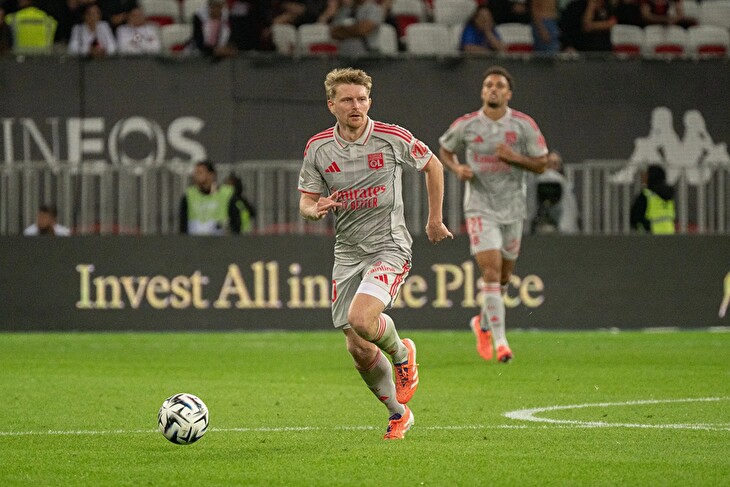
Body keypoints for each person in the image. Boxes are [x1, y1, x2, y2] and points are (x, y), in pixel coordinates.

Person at [298, 67, 452, 440]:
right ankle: (399, 414)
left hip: (389, 245)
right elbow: (306, 201)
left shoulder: (390, 136)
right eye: (347, 100)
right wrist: (314, 210)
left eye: (362, 99)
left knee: (362, 318)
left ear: (370, 101)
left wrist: (434, 220)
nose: (356, 106)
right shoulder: (318, 147)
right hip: (347, 252)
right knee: (358, 348)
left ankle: (402, 354)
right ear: (331, 104)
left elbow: (433, 165)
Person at [438, 65, 548, 363]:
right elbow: (445, 149)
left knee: (503, 278)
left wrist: (515, 158)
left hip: (513, 207)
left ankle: (483, 324)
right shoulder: (467, 125)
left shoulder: (523, 125)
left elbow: (541, 164)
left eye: (499, 86)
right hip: (480, 206)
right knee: (490, 271)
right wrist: (457, 168)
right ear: (482, 91)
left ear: (509, 94)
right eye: (488, 85)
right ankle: (502, 343)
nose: (493, 89)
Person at [526, 150, 580, 234]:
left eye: (555, 164)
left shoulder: (565, 185)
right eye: (549, 163)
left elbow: (570, 211)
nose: (551, 167)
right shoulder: (534, 183)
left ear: (560, 166)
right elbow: (530, 206)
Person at [179, 160, 238, 235]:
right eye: (195, 173)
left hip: (220, 239)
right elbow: (183, 224)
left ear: (212, 175)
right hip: (194, 240)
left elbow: (236, 221)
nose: (196, 176)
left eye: (200, 172)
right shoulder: (189, 195)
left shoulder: (227, 194)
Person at [630, 164, 676, 234]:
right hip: (669, 235)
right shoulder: (670, 197)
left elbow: (634, 218)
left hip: (651, 235)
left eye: (646, 175)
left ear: (651, 177)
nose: (643, 177)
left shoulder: (646, 195)